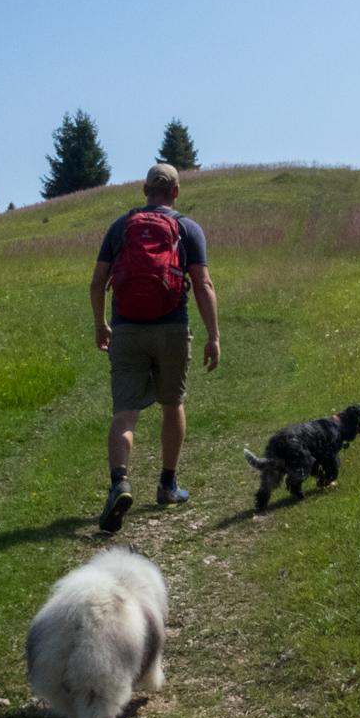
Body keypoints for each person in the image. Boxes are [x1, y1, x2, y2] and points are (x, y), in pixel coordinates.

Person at [90, 162, 220, 532]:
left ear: (144, 190)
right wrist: (213, 336)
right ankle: (167, 485)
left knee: (125, 413)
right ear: (176, 192)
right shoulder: (188, 228)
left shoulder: (120, 228)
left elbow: (97, 282)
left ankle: (119, 483)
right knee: (172, 403)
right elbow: (204, 284)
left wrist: (102, 324)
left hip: (127, 330)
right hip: (172, 329)